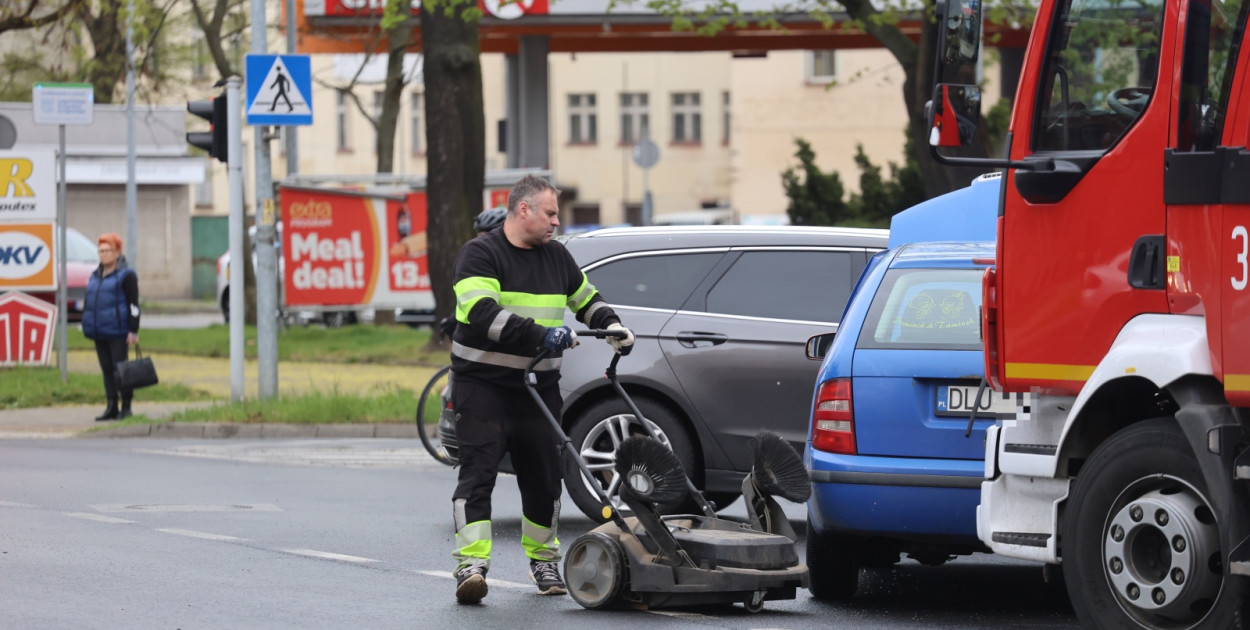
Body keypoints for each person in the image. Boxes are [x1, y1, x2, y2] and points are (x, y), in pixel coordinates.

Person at [447, 174, 634, 605]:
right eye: (550, 213)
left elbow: (586, 299)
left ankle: (544, 560)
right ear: (524, 209)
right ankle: (471, 566)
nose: (556, 222)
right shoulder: (480, 254)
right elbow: (482, 314)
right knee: (478, 473)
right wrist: (540, 335)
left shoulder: (558, 258)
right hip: (482, 385)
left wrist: (611, 325)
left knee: (544, 478)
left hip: (536, 387)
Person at [82, 233, 140, 421]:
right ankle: (111, 406)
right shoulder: (94, 276)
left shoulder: (126, 276)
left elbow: (134, 305)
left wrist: (133, 330)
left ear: (117, 252)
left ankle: (126, 407)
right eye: (101, 251)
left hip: (118, 331)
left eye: (108, 250)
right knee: (107, 369)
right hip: (100, 331)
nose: (104, 254)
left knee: (121, 369)